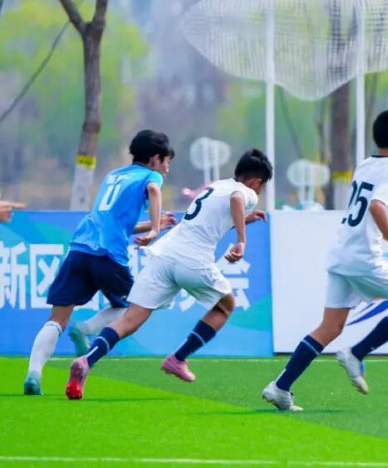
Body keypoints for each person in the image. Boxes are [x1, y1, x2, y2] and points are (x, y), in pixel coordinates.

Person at [65, 149, 273, 400]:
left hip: (164, 254)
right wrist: (241, 240)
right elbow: (237, 199)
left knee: (129, 320)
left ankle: (87, 360)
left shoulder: (217, 186)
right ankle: (178, 358)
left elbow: (212, 219)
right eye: (261, 188)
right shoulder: (245, 192)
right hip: (193, 259)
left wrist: (246, 220)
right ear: (256, 182)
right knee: (225, 306)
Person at [263, 110, 388, 411]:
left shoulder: (365, 165)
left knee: (330, 327)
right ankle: (357, 353)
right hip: (364, 259)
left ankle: (280, 387)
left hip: (342, 253)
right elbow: (376, 207)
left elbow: (365, 217)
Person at [23, 130, 175, 395]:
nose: (167, 169)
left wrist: (153, 224)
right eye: (166, 162)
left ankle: (33, 375)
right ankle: (86, 329)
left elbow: (115, 223)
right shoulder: (151, 176)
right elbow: (153, 190)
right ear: (154, 158)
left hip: (80, 248)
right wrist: (154, 229)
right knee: (134, 308)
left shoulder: (113, 176)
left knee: (57, 319)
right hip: (108, 254)